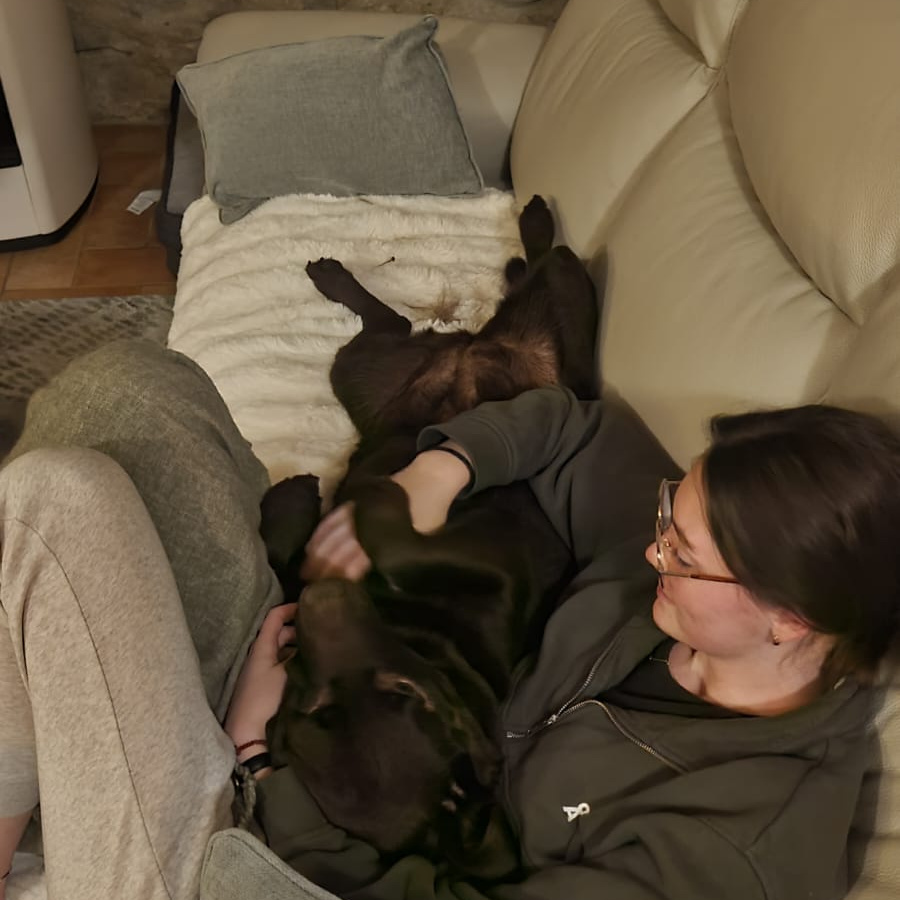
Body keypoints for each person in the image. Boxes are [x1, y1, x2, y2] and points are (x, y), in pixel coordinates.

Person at [1, 339, 898, 900]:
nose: (655, 547)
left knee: (57, 504)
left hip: (260, 863)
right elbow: (578, 430)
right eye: (671, 513)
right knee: (134, 382)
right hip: (325, 700)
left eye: (685, 551)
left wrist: (258, 763)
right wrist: (443, 472)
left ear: (792, 618)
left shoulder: (737, 849)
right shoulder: (698, 602)